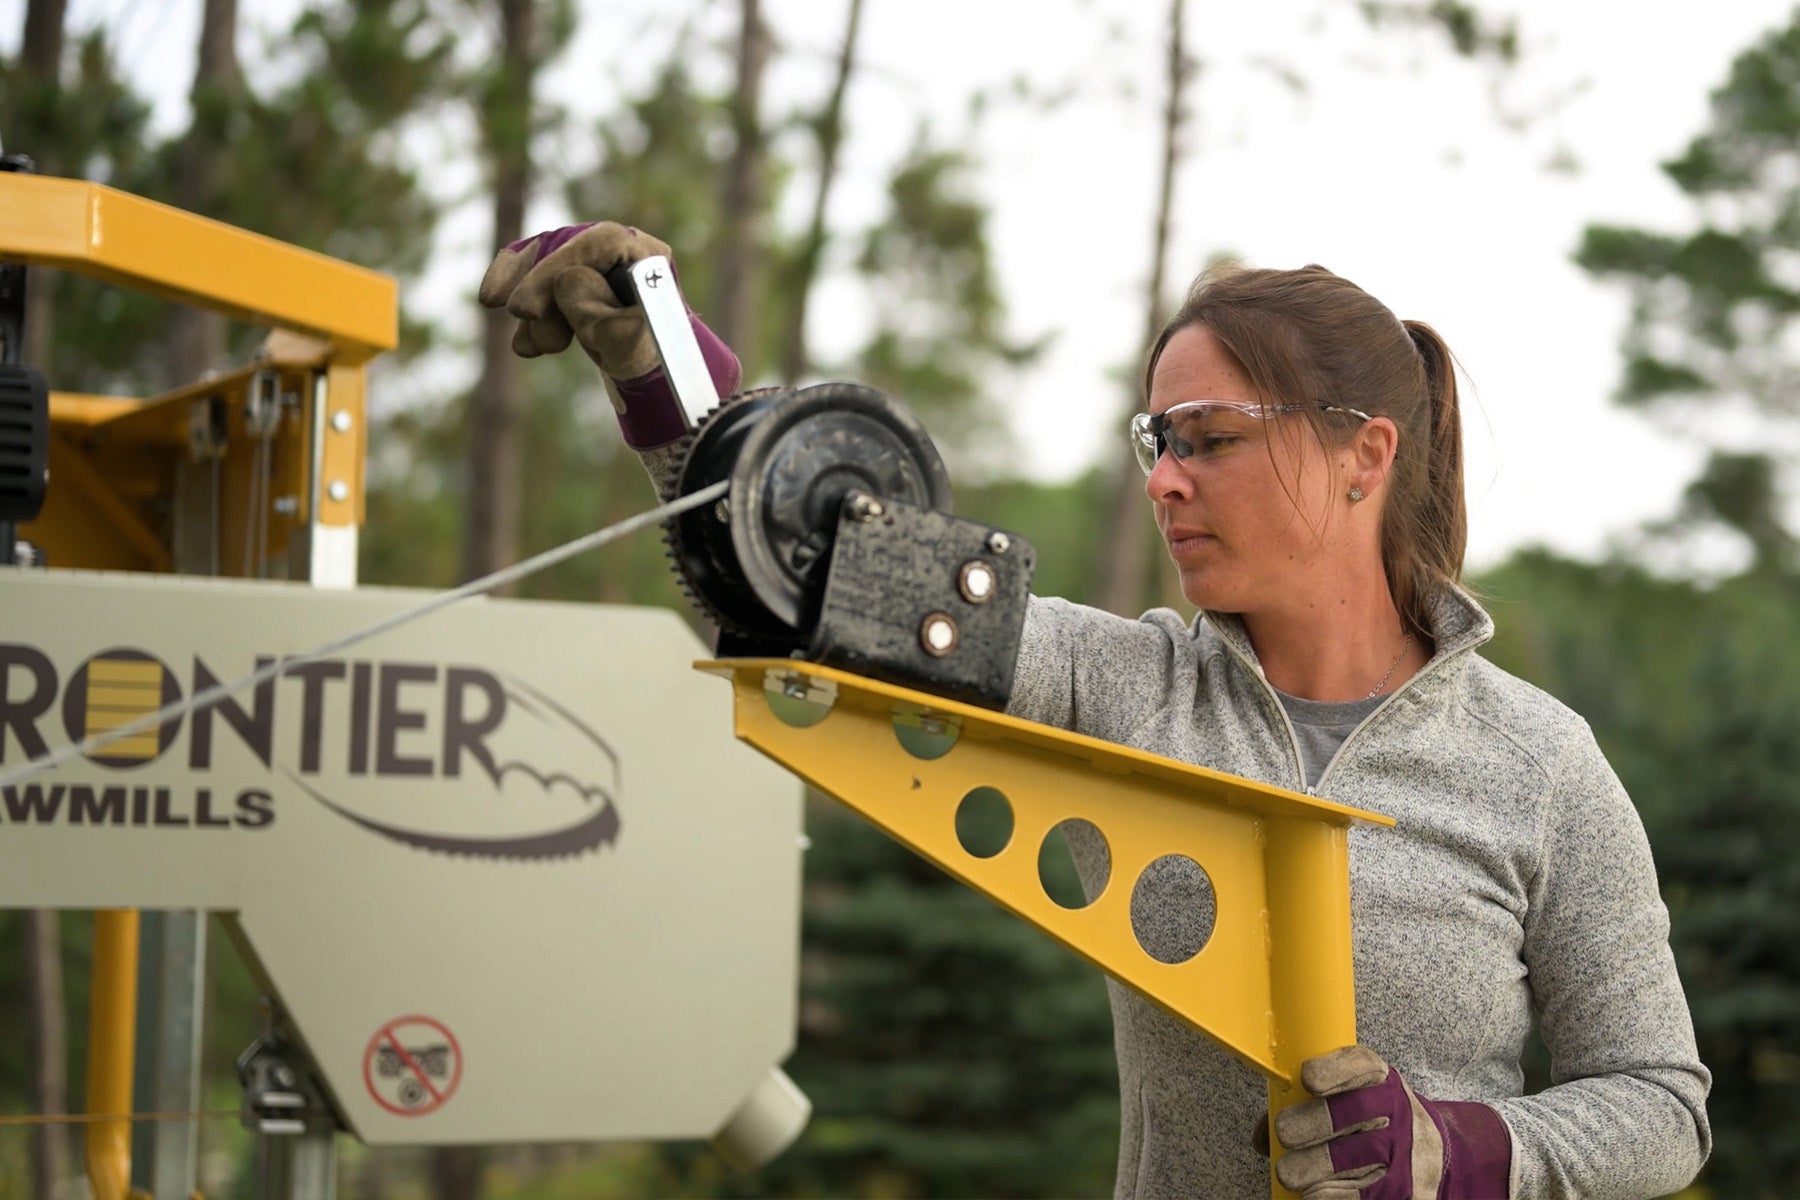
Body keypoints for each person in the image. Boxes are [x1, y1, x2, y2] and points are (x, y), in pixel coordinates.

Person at [479, 223, 1711, 1199]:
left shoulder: (1538, 762)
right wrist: (666, 379)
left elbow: (1661, 1102)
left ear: (1364, 455)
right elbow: (802, 584)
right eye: (1153, 441)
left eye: (1211, 440)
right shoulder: (1127, 681)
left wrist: (1460, 1155)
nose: (1166, 479)